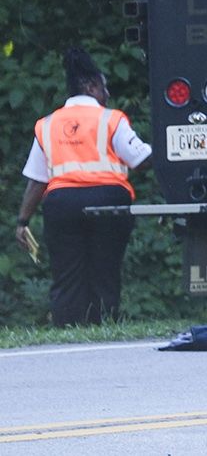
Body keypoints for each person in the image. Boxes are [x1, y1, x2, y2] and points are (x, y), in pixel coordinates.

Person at [15, 48, 152, 325]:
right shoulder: (112, 119)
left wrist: (22, 221)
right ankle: (105, 322)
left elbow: (37, 180)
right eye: (104, 86)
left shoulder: (47, 124)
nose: (107, 93)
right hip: (108, 201)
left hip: (62, 204)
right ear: (91, 86)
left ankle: (67, 326)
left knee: (67, 272)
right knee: (105, 268)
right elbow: (141, 160)